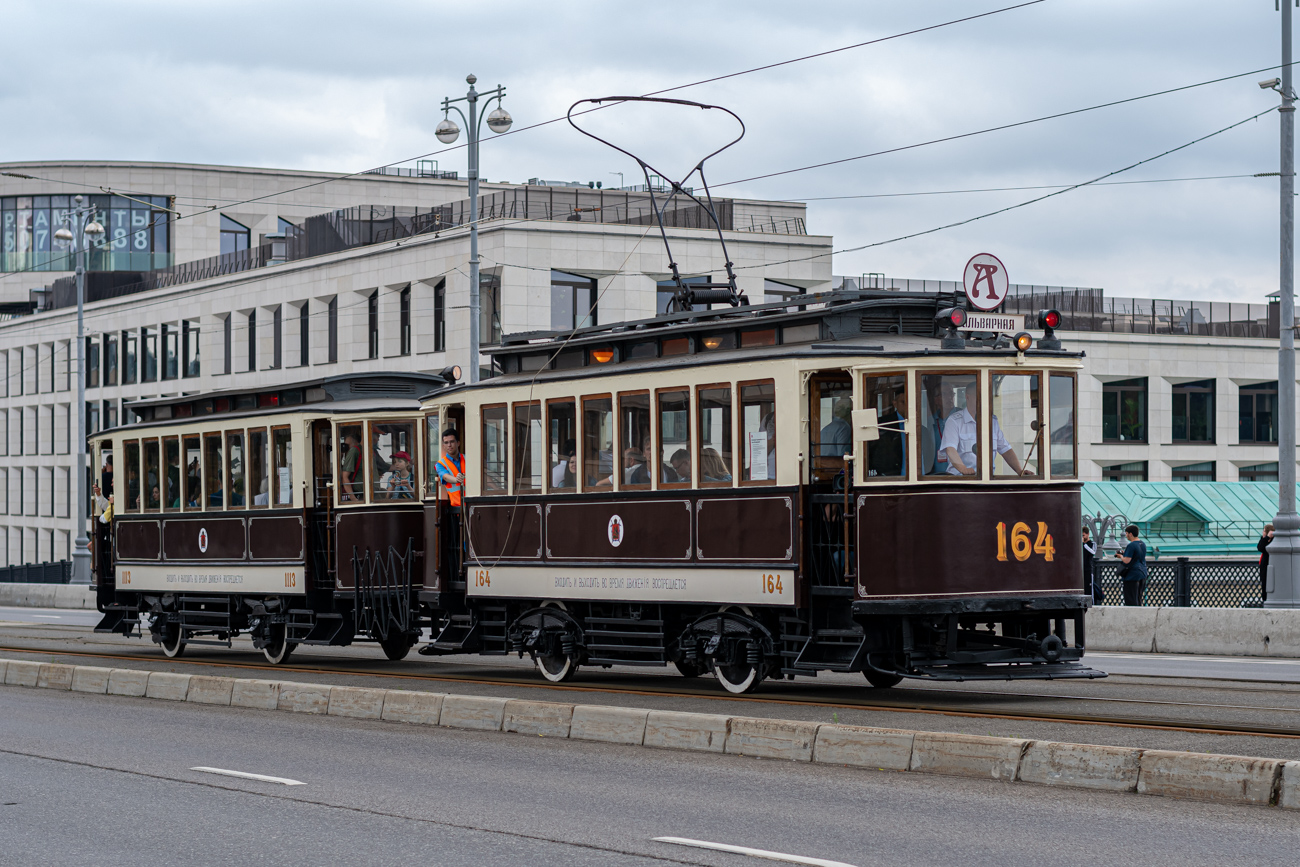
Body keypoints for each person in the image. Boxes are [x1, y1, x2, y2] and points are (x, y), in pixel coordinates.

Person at [940, 380, 1026, 476]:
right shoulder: (954, 421)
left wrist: (1020, 471)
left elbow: (1005, 449)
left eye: (985, 396)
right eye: (978, 396)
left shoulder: (992, 421)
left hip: (987, 480)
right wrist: (963, 469)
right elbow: (950, 449)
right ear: (967, 397)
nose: (982, 399)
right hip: (960, 480)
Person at [869, 387, 907, 476]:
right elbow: (873, 451)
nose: (907, 406)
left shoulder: (920, 426)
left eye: (910, 402)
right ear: (895, 404)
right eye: (903, 402)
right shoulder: (883, 424)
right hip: (889, 475)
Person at [1115, 524, 1148, 606]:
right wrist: (1125, 553)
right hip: (1142, 573)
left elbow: (1127, 561)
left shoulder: (1131, 545)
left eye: (1126, 533)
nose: (1126, 535)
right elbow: (1137, 555)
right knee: (1138, 598)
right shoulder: (1142, 543)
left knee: (1131, 599)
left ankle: (1133, 614)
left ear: (1130, 534)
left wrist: (1121, 556)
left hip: (1132, 575)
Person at [340, 433, 362, 502]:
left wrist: (353, 499)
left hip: (356, 492)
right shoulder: (356, 451)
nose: (346, 448)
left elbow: (344, 476)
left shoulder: (354, 450)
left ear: (356, 443)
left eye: (347, 446)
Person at [1082, 525, 1100, 604]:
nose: (1082, 537)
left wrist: (1084, 544)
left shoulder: (1092, 543)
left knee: (1089, 587)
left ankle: (1091, 603)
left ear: (1088, 534)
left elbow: (1093, 552)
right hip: (1081, 569)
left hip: (1088, 569)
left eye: (1083, 535)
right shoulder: (1080, 544)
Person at [1258, 523, 1275, 603]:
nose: (1263, 532)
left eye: (1264, 531)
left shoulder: (1272, 541)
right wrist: (1265, 538)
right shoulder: (1265, 540)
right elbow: (1259, 547)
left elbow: (1262, 548)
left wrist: (1267, 537)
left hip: (1268, 569)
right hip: (1264, 570)